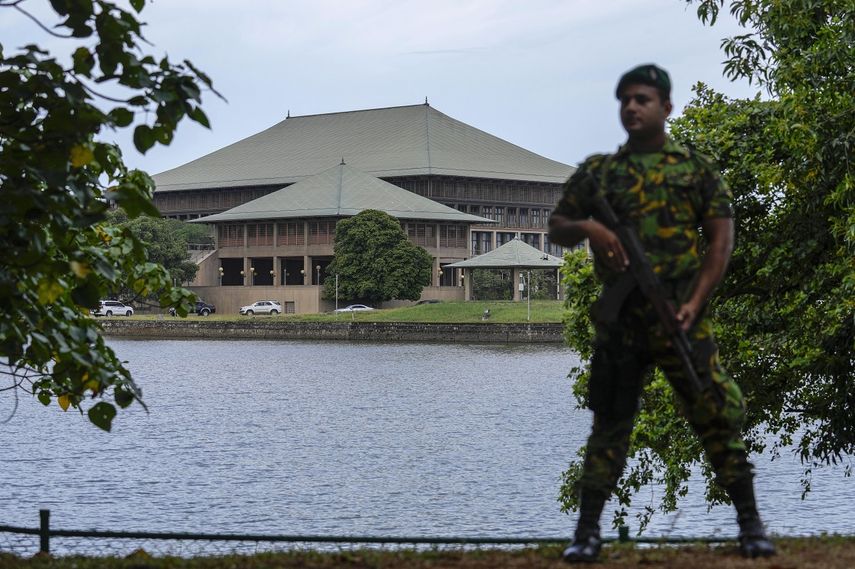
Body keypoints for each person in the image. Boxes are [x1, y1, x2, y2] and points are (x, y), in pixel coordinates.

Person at [548, 64, 775, 563]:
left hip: (680, 317)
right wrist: (593, 228)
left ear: (665, 108)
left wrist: (695, 303)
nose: (632, 106)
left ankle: (751, 526)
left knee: (717, 415)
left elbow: (720, 244)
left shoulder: (696, 171)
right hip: (622, 322)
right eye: (625, 99)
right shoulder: (600, 173)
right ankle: (586, 534)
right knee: (609, 426)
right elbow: (557, 226)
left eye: (643, 99)